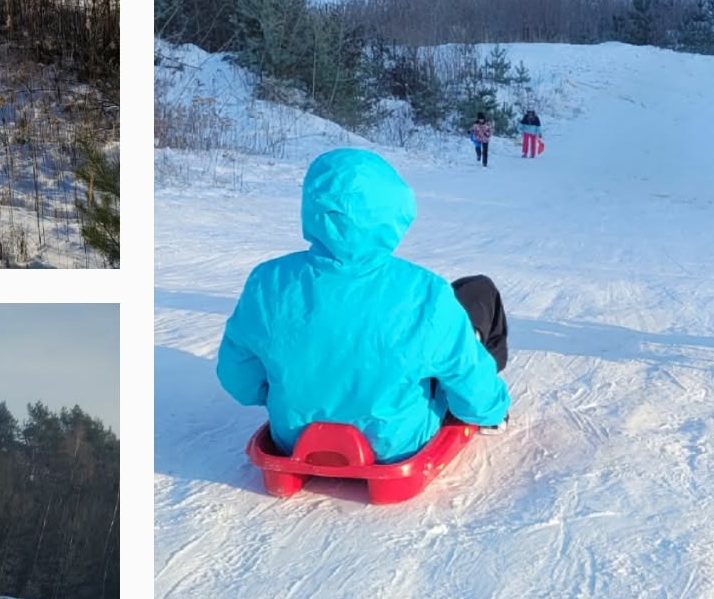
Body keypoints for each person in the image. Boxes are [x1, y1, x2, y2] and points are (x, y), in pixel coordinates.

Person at [217, 149, 511, 466]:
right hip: (398, 442)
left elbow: (237, 376)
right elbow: (468, 376)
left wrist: (283, 393)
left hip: (291, 439)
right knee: (475, 293)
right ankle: (475, 341)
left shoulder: (267, 281)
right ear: (393, 210)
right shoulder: (425, 291)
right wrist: (490, 411)